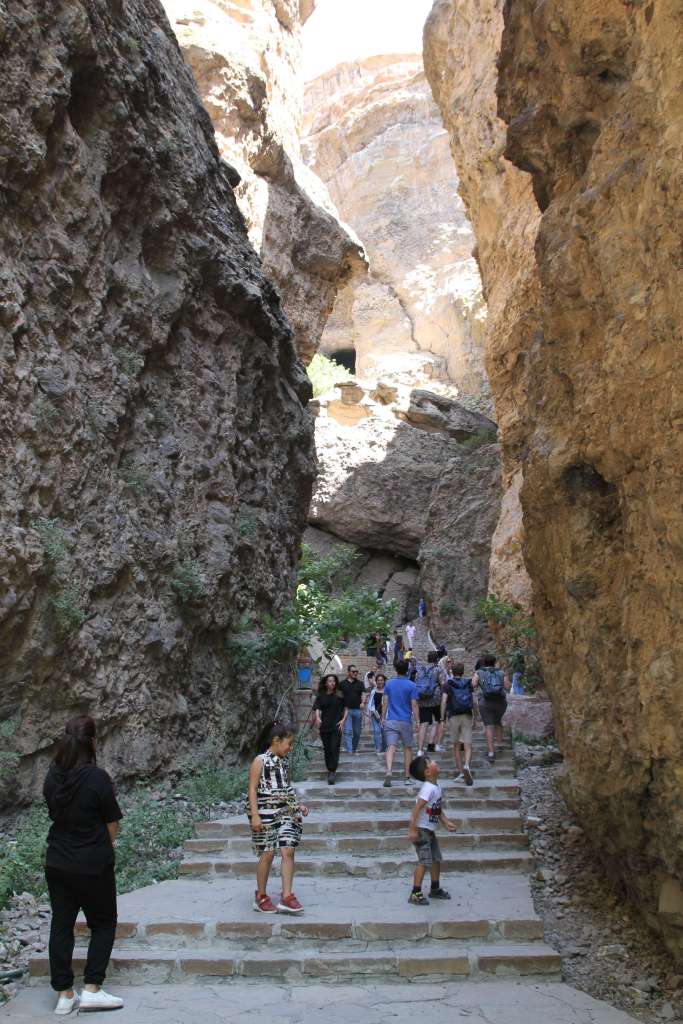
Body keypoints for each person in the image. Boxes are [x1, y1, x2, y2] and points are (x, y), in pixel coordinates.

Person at [43, 715, 124, 1016]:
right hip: (93, 864)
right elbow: (112, 822)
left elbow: (54, 813)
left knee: (61, 924)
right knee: (103, 923)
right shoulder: (97, 778)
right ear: (92, 742)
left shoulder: (52, 776)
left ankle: (64, 994)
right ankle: (92, 989)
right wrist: (106, 845)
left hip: (57, 862)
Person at [248, 722, 309, 914]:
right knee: (267, 853)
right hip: (265, 813)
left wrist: (298, 805)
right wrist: (255, 815)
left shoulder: (284, 762)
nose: (290, 748)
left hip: (286, 812)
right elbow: (252, 789)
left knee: (288, 849)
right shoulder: (260, 761)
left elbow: (286, 788)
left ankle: (287, 896)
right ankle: (261, 896)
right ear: (276, 740)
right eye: (289, 743)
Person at [407, 754, 457, 905]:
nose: (435, 762)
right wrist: (412, 829)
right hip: (422, 830)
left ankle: (435, 888)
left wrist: (445, 821)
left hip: (429, 830)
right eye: (431, 762)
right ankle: (415, 893)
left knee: (435, 859)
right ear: (428, 772)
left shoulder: (436, 787)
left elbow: (435, 809)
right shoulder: (428, 789)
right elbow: (416, 809)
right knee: (424, 861)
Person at [381, 660, 419, 787]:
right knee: (407, 748)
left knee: (390, 747)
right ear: (407, 669)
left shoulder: (389, 684)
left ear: (396, 669)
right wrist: (418, 721)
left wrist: (382, 717)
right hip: (405, 721)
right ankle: (407, 777)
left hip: (391, 720)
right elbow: (414, 704)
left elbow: (385, 702)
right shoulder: (412, 685)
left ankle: (389, 771)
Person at [472, 654, 511, 763]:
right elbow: (507, 686)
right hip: (501, 702)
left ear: (484, 662)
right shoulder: (501, 672)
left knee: (489, 726)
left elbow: (473, 685)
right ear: (494, 662)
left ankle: (491, 753)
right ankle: (499, 745)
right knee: (498, 722)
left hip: (485, 702)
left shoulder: (479, 672)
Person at [441, 661, 474, 785]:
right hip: (467, 714)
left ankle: (461, 773)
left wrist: (442, 718)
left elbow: (444, 701)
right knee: (468, 745)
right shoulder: (468, 683)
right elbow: (473, 700)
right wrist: (476, 716)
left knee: (456, 746)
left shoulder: (447, 684)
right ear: (463, 671)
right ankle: (467, 766)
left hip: (453, 716)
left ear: (452, 671)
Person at [313, 675, 347, 785]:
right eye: (330, 681)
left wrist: (343, 720)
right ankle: (330, 769)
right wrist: (318, 717)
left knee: (334, 747)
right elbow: (317, 708)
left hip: (336, 726)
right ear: (325, 683)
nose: (332, 683)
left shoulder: (340, 695)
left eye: (334, 681)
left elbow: (346, 708)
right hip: (325, 727)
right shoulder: (321, 696)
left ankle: (332, 771)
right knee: (327, 749)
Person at [416, 651, 444, 756]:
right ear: (437, 659)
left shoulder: (421, 669)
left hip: (422, 700)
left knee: (424, 724)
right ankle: (435, 745)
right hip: (435, 699)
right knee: (438, 721)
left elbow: (416, 682)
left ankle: (420, 750)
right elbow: (442, 683)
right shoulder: (438, 669)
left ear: (427, 658)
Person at [340, 665, 365, 754]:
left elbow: (363, 694)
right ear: (348, 672)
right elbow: (339, 695)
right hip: (347, 710)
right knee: (347, 731)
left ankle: (353, 748)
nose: (355, 673)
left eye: (356, 671)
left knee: (357, 732)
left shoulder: (360, 683)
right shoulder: (342, 683)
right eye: (353, 671)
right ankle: (350, 751)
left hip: (357, 710)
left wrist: (363, 702)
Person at [366, 673, 387, 754]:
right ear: (376, 681)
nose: (380, 682)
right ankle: (378, 748)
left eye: (381, 680)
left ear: (384, 681)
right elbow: (370, 703)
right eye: (378, 680)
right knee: (376, 731)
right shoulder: (373, 691)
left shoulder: (387, 691)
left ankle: (384, 748)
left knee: (384, 733)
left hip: (385, 715)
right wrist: (371, 712)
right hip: (375, 714)